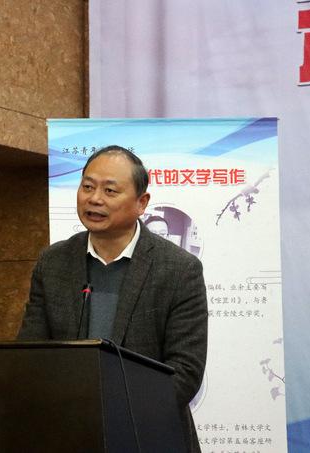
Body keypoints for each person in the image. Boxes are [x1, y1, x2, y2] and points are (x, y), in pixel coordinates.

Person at [18, 145, 207, 453]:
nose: (95, 199)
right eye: (87, 187)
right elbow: (31, 356)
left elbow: (185, 371)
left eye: (110, 190)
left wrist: (112, 419)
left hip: (149, 437)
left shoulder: (178, 269)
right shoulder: (53, 262)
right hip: (69, 434)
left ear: (141, 203)